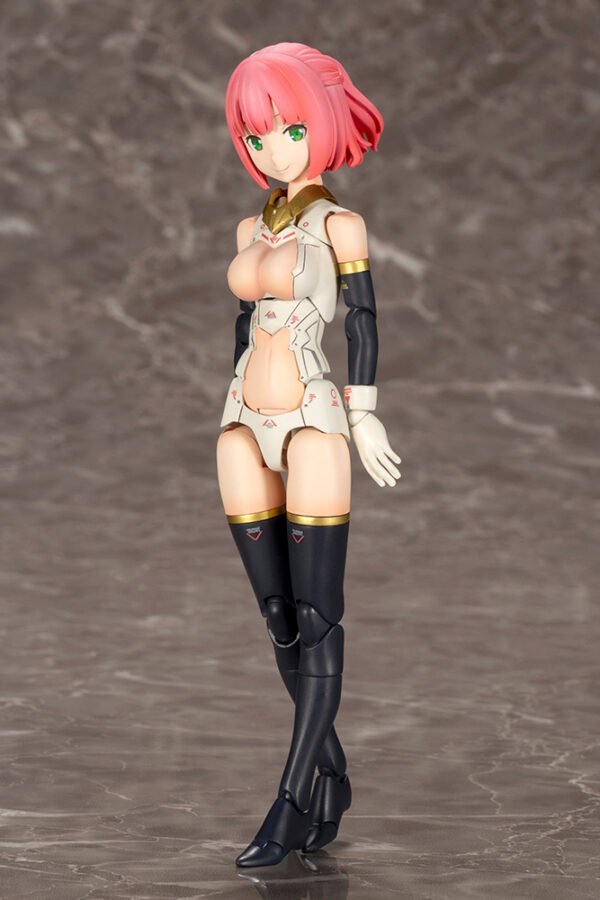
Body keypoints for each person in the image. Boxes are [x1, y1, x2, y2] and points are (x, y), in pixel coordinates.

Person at [216, 42, 401, 868]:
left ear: (321, 125)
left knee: (318, 615)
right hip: (240, 422)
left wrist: (366, 418)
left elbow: (362, 322)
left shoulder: (339, 225)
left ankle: (292, 801)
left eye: (289, 129)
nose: (273, 148)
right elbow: (242, 328)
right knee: (279, 617)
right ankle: (332, 771)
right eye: (256, 135)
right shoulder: (250, 227)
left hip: (315, 420)